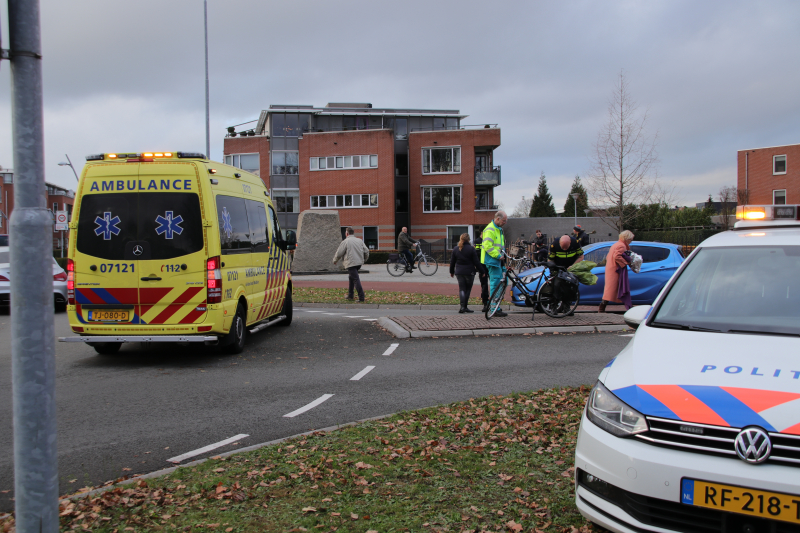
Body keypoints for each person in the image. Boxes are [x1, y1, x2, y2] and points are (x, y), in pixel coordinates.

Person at [481, 210, 508, 317]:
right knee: (496, 283)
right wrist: (498, 256)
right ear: (497, 219)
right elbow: (487, 246)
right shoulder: (490, 229)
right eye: (504, 221)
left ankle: (496, 306)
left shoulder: (498, 229)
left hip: (497, 260)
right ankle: (494, 308)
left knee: (500, 283)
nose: (505, 223)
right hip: (493, 260)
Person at [599, 230, 635, 312]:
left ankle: (603, 306)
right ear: (627, 238)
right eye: (630, 239)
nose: (630, 241)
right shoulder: (622, 246)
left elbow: (609, 256)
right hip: (616, 270)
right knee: (620, 287)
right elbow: (617, 256)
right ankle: (627, 305)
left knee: (611, 289)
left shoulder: (616, 244)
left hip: (611, 268)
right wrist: (625, 263)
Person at [332, 227, 370, 302]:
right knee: (351, 277)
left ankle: (361, 297)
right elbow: (366, 251)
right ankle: (350, 295)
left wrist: (335, 260)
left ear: (347, 233)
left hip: (350, 263)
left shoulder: (346, 241)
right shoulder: (359, 240)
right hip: (358, 263)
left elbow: (339, 252)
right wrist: (364, 259)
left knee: (355, 279)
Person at [449, 233, 482, 313]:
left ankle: (462, 306)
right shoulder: (471, 249)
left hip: (459, 272)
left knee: (462, 289)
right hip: (469, 272)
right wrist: (482, 271)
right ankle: (465, 306)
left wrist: (452, 271)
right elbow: (476, 262)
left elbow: (452, 262)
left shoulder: (456, 249)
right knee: (467, 289)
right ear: (468, 239)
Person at [473, 236, 490, 312]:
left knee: (487, 284)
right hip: (484, 265)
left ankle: (488, 303)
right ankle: (486, 303)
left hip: (486, 265)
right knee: (484, 284)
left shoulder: (486, 240)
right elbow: (476, 253)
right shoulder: (478, 241)